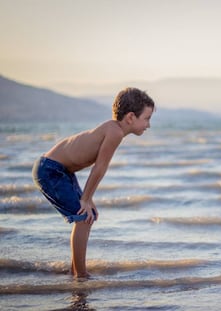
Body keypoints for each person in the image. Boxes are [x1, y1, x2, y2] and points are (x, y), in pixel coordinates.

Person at [32, 87, 155, 278]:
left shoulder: (114, 129)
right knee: (83, 217)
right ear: (130, 117)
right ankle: (80, 274)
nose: (148, 125)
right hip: (49, 170)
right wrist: (86, 199)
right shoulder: (114, 132)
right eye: (147, 118)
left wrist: (88, 199)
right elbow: (100, 168)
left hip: (60, 170)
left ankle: (75, 270)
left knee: (89, 215)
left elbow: (97, 168)